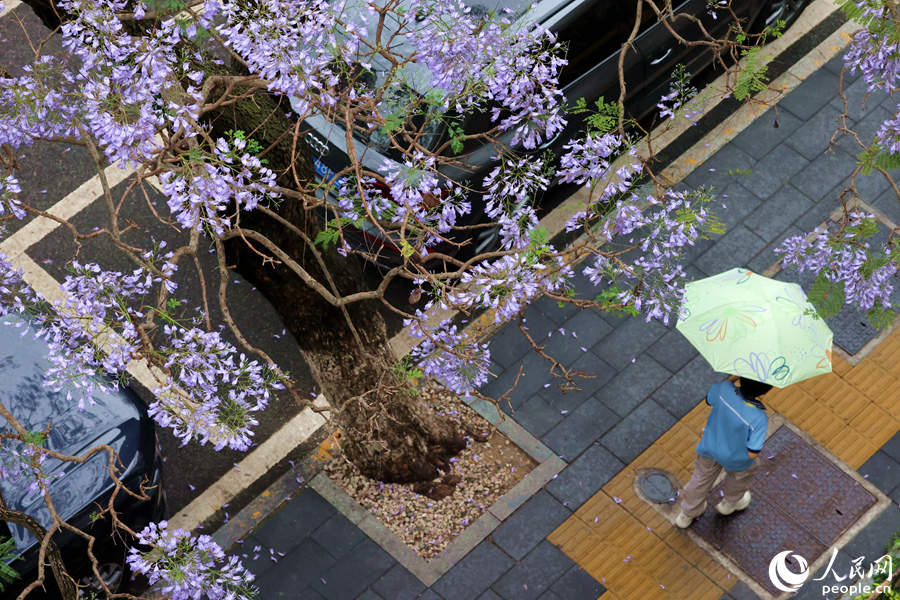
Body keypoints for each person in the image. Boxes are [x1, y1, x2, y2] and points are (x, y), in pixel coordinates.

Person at [675, 374, 772, 529]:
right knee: (739, 479)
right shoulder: (759, 418)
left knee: (700, 480)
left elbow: (710, 398)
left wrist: (733, 378)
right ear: (765, 391)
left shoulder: (724, 389)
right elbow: (753, 452)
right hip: (736, 460)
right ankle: (730, 503)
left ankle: (687, 513)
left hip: (710, 448)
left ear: (741, 377)